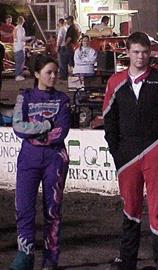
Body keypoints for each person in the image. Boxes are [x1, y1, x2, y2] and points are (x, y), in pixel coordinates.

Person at [103, 32, 158, 270]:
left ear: (150, 53)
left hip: (155, 153)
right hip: (127, 157)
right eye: (136, 52)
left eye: (145, 52)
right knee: (130, 208)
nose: (140, 56)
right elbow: (109, 120)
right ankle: (128, 260)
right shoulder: (115, 82)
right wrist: (117, 151)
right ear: (127, 53)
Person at [10, 54, 70, 270]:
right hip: (28, 159)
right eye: (49, 72)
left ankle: (51, 260)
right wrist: (45, 126)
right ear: (37, 74)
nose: (53, 76)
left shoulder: (63, 99)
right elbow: (18, 127)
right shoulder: (24, 96)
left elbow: (62, 130)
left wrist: (34, 133)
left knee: (52, 210)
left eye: (55, 72)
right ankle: (25, 255)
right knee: (24, 208)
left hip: (55, 159)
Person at [60, 15, 79, 80]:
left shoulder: (71, 28)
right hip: (73, 45)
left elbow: (70, 37)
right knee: (72, 60)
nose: (66, 21)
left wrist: (65, 44)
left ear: (70, 20)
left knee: (67, 60)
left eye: (67, 20)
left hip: (70, 46)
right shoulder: (75, 27)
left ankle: (66, 76)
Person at [13, 16, 31, 81]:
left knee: (18, 62)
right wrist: (30, 38)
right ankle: (18, 75)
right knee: (20, 62)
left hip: (16, 47)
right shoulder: (21, 28)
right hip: (20, 48)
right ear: (22, 21)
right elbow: (22, 38)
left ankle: (18, 74)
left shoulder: (15, 28)